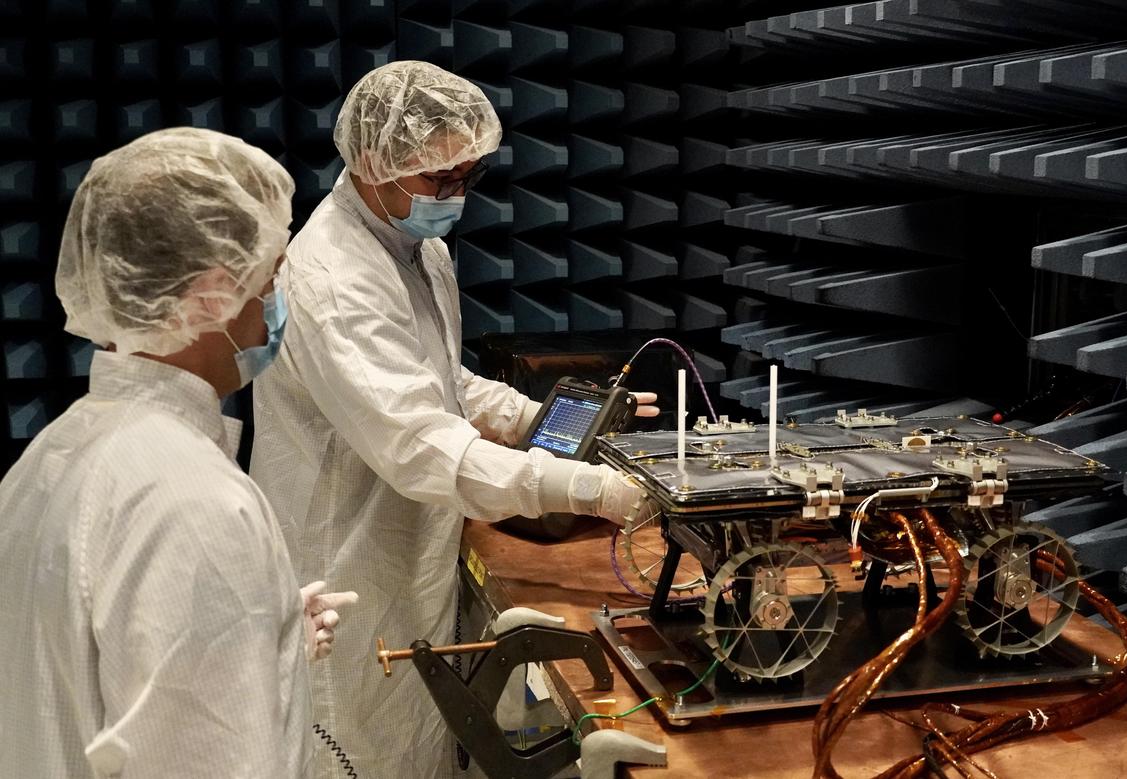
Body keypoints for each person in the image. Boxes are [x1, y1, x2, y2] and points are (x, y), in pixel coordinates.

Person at [250, 60, 656, 777]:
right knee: (362, 753)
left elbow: (440, 380)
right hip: (346, 577)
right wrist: (590, 490)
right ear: (373, 162)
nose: (457, 196)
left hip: (410, 560)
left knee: (421, 746)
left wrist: (533, 415)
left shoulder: (418, 248)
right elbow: (424, 444)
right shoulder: (332, 278)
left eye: (468, 175)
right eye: (439, 180)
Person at [0, 127, 355, 777]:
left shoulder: (51, 454)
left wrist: (265, 636)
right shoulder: (194, 504)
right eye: (273, 277)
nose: (279, 305)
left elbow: (92, 678)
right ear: (215, 294)